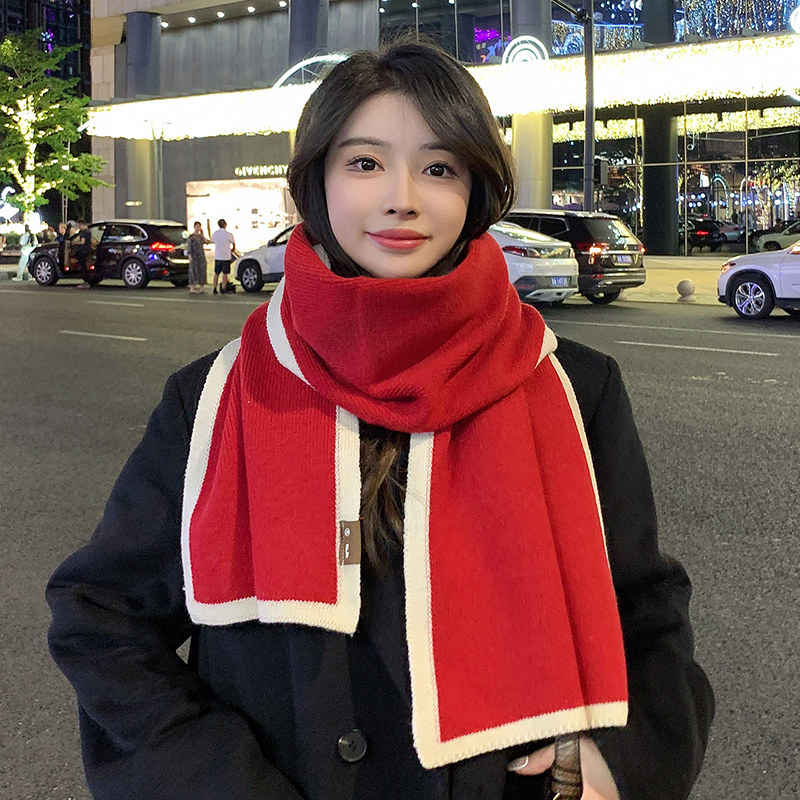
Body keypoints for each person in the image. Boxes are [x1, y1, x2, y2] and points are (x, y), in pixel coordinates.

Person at [46, 40, 714, 800]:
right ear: (317, 181)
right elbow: (102, 618)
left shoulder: (570, 386)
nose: (403, 197)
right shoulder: (217, 395)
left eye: (439, 168)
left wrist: (621, 758)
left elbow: (646, 610)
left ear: (476, 190)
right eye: (365, 163)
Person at [210, 218, 238, 294]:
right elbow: (233, 244)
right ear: (225, 225)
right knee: (225, 273)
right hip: (226, 256)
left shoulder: (215, 234)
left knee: (216, 273)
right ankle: (223, 288)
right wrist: (232, 250)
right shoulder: (229, 234)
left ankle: (214, 288)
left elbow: (212, 241)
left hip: (218, 256)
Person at [187, 221, 209, 293]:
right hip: (194, 255)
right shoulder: (191, 237)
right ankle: (192, 287)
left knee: (202, 270)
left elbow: (207, 242)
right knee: (193, 270)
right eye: (197, 226)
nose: (198, 228)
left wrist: (203, 234)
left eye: (199, 226)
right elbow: (189, 247)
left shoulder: (201, 237)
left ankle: (202, 287)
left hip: (201, 255)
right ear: (194, 227)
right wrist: (189, 255)